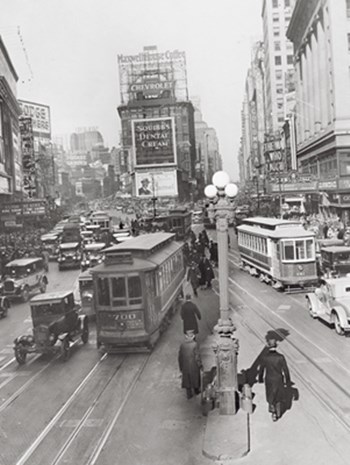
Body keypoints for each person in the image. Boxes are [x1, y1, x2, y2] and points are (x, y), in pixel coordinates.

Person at [258, 338, 291, 421]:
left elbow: (261, 369)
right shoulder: (280, 357)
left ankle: (273, 412)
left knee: (270, 395)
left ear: (268, 346)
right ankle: (277, 411)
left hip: (269, 379)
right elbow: (285, 370)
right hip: (278, 379)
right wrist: (287, 381)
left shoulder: (265, 357)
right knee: (278, 396)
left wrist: (260, 378)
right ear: (276, 346)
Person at [178, 330, 202, 399]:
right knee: (195, 378)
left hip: (185, 365)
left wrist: (181, 367)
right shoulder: (195, 344)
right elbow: (197, 356)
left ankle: (189, 394)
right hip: (194, 365)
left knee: (187, 379)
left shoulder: (182, 345)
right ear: (193, 336)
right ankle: (196, 390)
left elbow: (180, 357)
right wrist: (200, 365)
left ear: (186, 336)